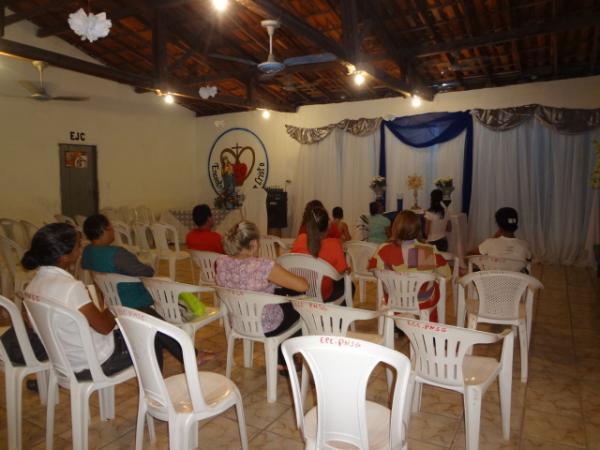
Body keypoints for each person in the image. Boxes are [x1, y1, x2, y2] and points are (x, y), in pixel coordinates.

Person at [3, 223, 134, 380]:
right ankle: (155, 397)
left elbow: (32, 325)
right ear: (64, 256)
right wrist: (114, 304)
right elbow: (105, 327)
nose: (80, 250)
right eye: (78, 246)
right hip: (95, 364)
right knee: (150, 339)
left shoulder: (33, 285)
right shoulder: (71, 288)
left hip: (64, 362)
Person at [81, 214, 213, 366]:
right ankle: (191, 354)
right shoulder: (117, 254)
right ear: (105, 230)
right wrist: (148, 265)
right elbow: (147, 272)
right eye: (111, 228)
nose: (113, 231)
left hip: (112, 301)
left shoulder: (87, 252)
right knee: (176, 306)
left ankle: (180, 350)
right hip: (136, 301)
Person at [215, 220, 308, 374]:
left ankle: (282, 358)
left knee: (279, 296)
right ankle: (286, 360)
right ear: (253, 244)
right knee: (298, 305)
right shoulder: (263, 266)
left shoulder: (221, 262)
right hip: (267, 325)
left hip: (238, 321)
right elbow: (303, 286)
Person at [368, 210, 451, 322]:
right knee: (434, 282)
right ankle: (423, 324)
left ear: (395, 228)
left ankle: (398, 323)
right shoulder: (426, 250)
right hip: (421, 302)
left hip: (394, 299)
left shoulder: (383, 249)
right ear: (417, 229)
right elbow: (446, 275)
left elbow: (374, 271)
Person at [292, 206, 352, 302]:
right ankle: (337, 315)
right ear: (328, 226)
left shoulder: (299, 239)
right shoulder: (334, 245)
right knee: (350, 286)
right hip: (323, 294)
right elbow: (341, 272)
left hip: (300, 291)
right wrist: (348, 270)